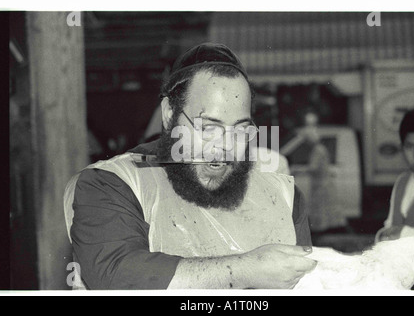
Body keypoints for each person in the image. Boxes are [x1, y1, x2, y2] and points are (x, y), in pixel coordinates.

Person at [63, 42, 316, 290]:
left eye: (240, 130)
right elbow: (115, 274)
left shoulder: (284, 196)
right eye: (208, 127)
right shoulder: (113, 184)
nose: (225, 147)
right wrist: (245, 271)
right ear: (168, 114)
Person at [375, 106, 414, 242]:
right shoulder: (402, 181)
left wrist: (405, 234)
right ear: (401, 147)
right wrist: (383, 235)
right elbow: (390, 225)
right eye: (410, 147)